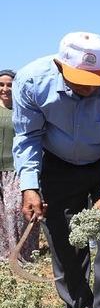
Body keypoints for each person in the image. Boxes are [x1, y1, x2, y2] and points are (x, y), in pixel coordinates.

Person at [12, 32, 100, 308]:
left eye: (96, 81)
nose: (88, 88)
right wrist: (29, 185)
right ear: (60, 67)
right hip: (57, 162)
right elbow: (28, 137)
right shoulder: (32, 82)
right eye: (81, 80)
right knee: (62, 234)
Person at [1, 69, 39, 261]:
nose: (5, 89)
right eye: (1, 85)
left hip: (16, 169)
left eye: (9, 84)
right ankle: (5, 255)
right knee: (1, 215)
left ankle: (25, 253)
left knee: (15, 212)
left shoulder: (23, 108)